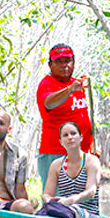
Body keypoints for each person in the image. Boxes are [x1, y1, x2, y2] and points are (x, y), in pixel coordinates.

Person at [37, 44, 94, 189]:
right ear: (50, 65)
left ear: (73, 62)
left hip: (81, 156)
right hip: (56, 154)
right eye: (59, 62)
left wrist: (92, 144)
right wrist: (70, 89)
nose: (64, 65)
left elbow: (83, 116)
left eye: (68, 61)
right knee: (56, 205)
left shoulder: (76, 84)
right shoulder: (47, 84)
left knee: (83, 202)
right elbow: (49, 103)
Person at [42, 122, 101, 218]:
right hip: (63, 210)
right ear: (61, 141)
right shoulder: (56, 165)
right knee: (44, 212)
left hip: (88, 214)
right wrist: (49, 200)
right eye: (65, 135)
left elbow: (91, 192)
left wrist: (70, 200)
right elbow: (47, 193)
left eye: (73, 133)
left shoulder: (91, 161)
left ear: (81, 137)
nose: (70, 137)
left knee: (68, 212)